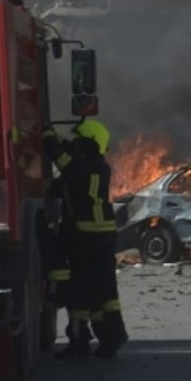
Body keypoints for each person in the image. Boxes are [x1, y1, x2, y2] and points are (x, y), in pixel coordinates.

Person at [44, 119, 128, 359]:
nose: (75, 145)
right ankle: (109, 336)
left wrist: (48, 138)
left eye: (79, 141)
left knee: (80, 289)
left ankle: (82, 341)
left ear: (87, 144)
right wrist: (59, 139)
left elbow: (64, 162)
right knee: (103, 291)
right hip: (100, 236)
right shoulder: (97, 166)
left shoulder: (82, 168)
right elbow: (66, 172)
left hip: (85, 236)